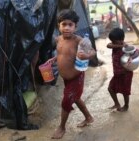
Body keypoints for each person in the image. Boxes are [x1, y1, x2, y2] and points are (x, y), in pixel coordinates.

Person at [51, 9, 96, 139]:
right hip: (66, 78)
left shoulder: (79, 41)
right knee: (75, 98)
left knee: (66, 101)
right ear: (58, 26)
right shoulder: (58, 39)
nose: (67, 28)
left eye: (70, 25)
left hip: (76, 77)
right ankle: (88, 117)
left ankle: (62, 127)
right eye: (63, 24)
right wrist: (54, 59)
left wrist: (87, 55)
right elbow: (62, 54)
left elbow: (92, 52)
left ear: (75, 26)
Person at [106, 28, 138, 112]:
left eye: (114, 41)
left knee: (125, 92)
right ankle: (117, 103)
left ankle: (126, 106)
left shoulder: (126, 49)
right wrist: (119, 45)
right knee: (110, 89)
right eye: (112, 40)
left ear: (121, 39)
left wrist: (135, 53)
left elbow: (135, 53)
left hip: (126, 74)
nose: (112, 42)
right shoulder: (115, 45)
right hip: (117, 74)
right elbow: (108, 45)